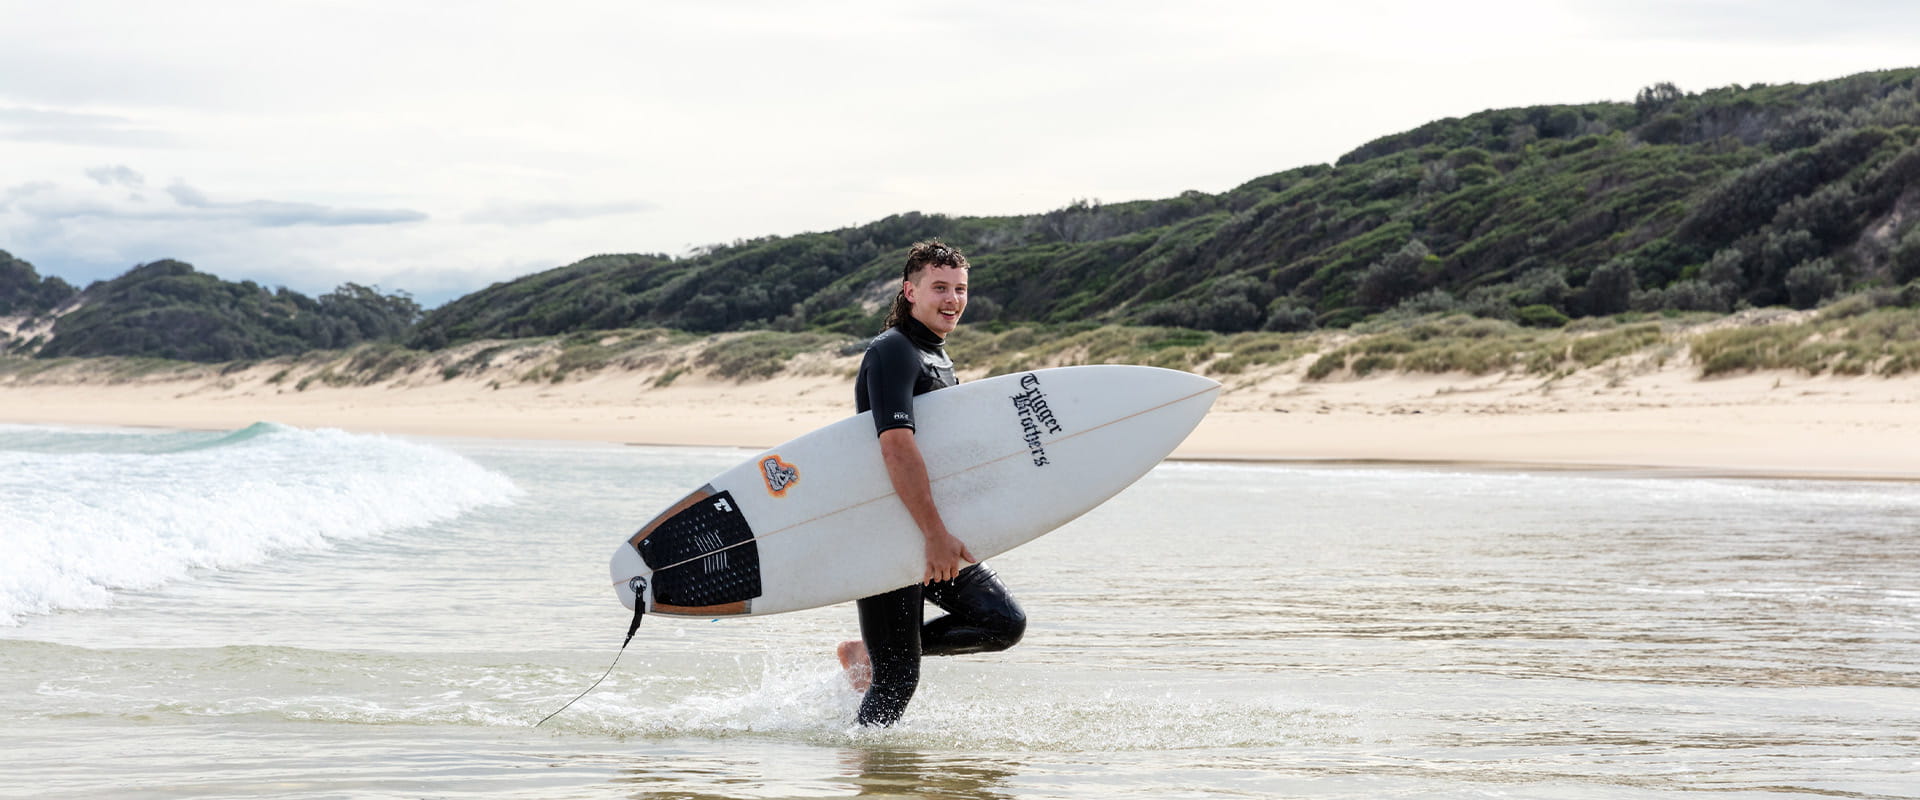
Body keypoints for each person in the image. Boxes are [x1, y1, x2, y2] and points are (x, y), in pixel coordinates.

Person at [835, 240, 1026, 726]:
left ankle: (865, 655)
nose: (953, 299)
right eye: (940, 287)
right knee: (898, 680)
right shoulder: (893, 351)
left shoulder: (936, 355)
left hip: (926, 525)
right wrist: (935, 534)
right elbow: (896, 447)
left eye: (961, 289)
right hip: (891, 528)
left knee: (1002, 622)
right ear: (909, 291)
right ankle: (871, 779)